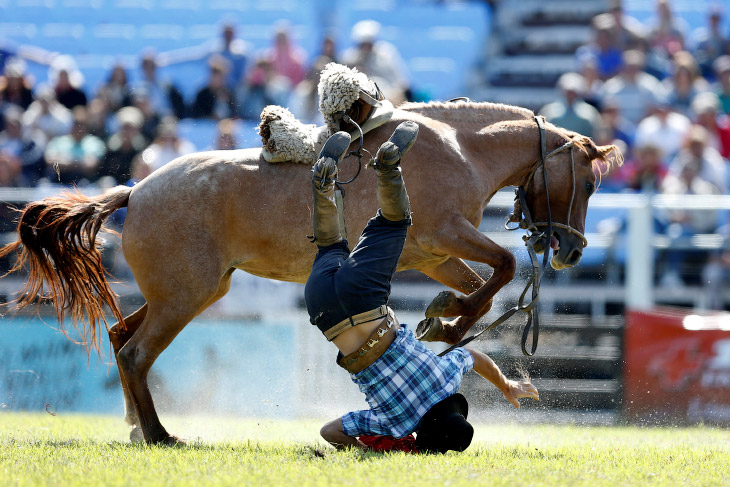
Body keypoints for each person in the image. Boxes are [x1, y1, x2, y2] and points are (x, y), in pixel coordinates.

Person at [307, 124, 538, 453]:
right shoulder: (393, 423)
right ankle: (322, 184)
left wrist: (507, 386)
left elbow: (474, 356)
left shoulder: (447, 379)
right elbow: (329, 431)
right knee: (330, 244)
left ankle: (388, 167)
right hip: (323, 310)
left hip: (366, 303)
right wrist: (368, 453)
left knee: (396, 221)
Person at [342, 20, 411, 102]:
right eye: (363, 44)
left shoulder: (386, 54)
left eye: (368, 44)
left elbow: (399, 78)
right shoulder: (349, 57)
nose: (366, 48)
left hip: (387, 95)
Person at [43, 106, 106, 186]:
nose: (78, 128)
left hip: (85, 184)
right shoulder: (58, 141)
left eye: (81, 124)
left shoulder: (95, 143)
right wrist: (79, 163)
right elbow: (50, 161)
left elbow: (90, 166)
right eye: (76, 124)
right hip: (58, 182)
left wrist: (66, 161)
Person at [539, 72, 600, 138]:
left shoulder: (590, 113)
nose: (570, 95)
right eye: (568, 92)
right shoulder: (548, 111)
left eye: (573, 92)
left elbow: (597, 136)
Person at [190, 55, 236, 120]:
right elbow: (196, 114)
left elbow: (234, 114)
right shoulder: (202, 94)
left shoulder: (228, 93)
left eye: (222, 78)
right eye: (216, 77)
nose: (219, 80)